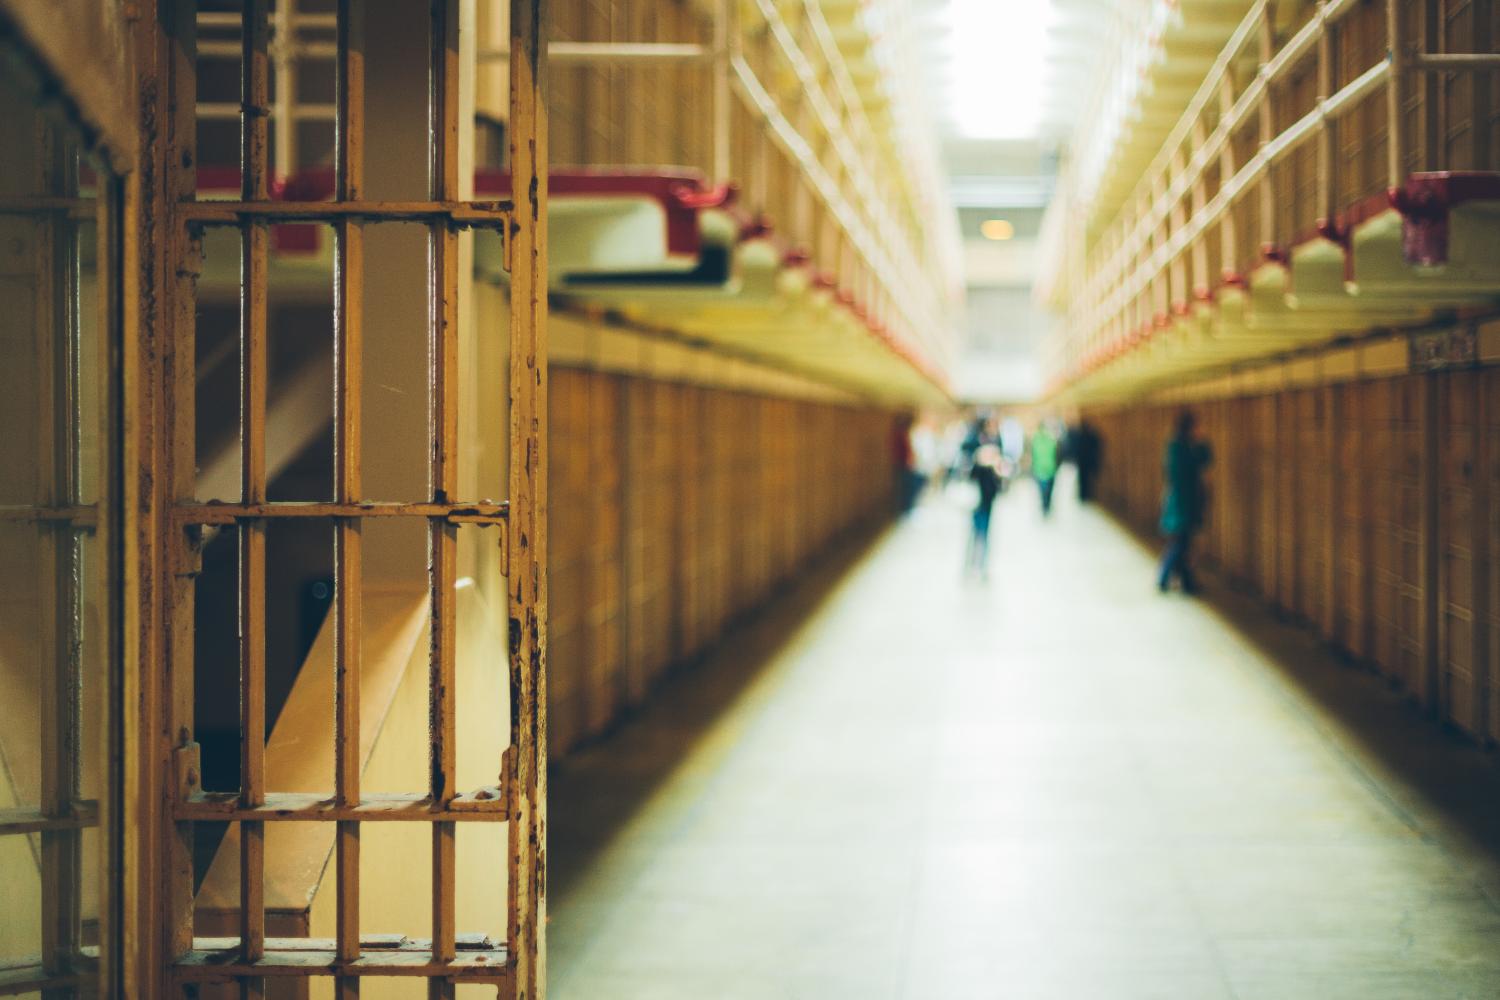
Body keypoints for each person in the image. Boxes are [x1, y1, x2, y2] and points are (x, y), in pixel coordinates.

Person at [1158, 410, 1212, 593]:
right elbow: (1204, 458)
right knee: (1181, 544)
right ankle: (1164, 578)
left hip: (1181, 504)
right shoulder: (1181, 449)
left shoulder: (1177, 447)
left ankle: (1185, 582)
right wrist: (1201, 441)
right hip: (1183, 506)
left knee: (1183, 544)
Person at [965, 444, 1004, 578]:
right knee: (976, 537)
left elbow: (997, 489)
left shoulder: (990, 470)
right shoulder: (979, 469)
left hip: (985, 508)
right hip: (979, 507)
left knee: (980, 537)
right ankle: (971, 565)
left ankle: (979, 566)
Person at [1029, 421, 1059, 517]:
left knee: (1043, 491)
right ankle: (1046, 507)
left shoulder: (1036, 440)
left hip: (1041, 469)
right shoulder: (1051, 439)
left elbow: (1033, 456)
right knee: (1048, 490)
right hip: (1049, 469)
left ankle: (1045, 507)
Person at [1072, 419, 1102, 502]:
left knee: (1084, 479)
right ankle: (1086, 495)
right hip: (1087, 461)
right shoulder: (1088, 436)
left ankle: (1084, 495)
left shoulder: (1081, 436)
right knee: (1087, 479)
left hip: (1083, 462)